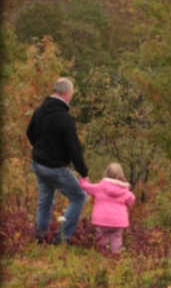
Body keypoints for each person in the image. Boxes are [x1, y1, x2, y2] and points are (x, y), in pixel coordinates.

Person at [26, 77, 88, 244]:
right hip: (55, 167)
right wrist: (83, 172)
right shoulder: (64, 118)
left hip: (38, 164)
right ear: (67, 93)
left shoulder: (39, 111)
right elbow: (74, 148)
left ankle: (41, 236)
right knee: (79, 197)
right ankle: (61, 238)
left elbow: (30, 133)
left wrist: (40, 149)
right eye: (72, 93)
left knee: (45, 200)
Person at [79, 163, 135, 256]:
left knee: (101, 237)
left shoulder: (101, 187)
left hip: (102, 219)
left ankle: (102, 255)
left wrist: (82, 179)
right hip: (118, 220)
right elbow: (131, 200)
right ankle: (115, 256)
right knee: (116, 238)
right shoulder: (124, 190)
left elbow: (87, 187)